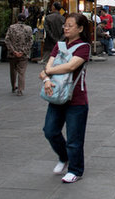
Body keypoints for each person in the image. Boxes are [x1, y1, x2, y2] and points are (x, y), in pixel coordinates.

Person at [39, 13, 91, 184]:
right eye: (65, 25)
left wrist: (47, 73)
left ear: (80, 28)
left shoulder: (84, 47)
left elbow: (70, 66)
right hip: (56, 94)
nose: (66, 28)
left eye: (70, 25)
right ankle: (64, 157)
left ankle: (75, 170)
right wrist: (46, 79)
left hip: (76, 99)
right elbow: (48, 65)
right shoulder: (59, 45)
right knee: (50, 131)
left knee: (74, 138)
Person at [5, 13, 33, 96]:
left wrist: (13, 51)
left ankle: (13, 86)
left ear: (17, 19)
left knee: (13, 71)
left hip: (12, 54)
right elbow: (30, 41)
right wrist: (23, 51)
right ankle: (20, 90)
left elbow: (7, 40)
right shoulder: (28, 29)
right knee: (21, 72)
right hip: (23, 55)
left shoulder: (11, 27)